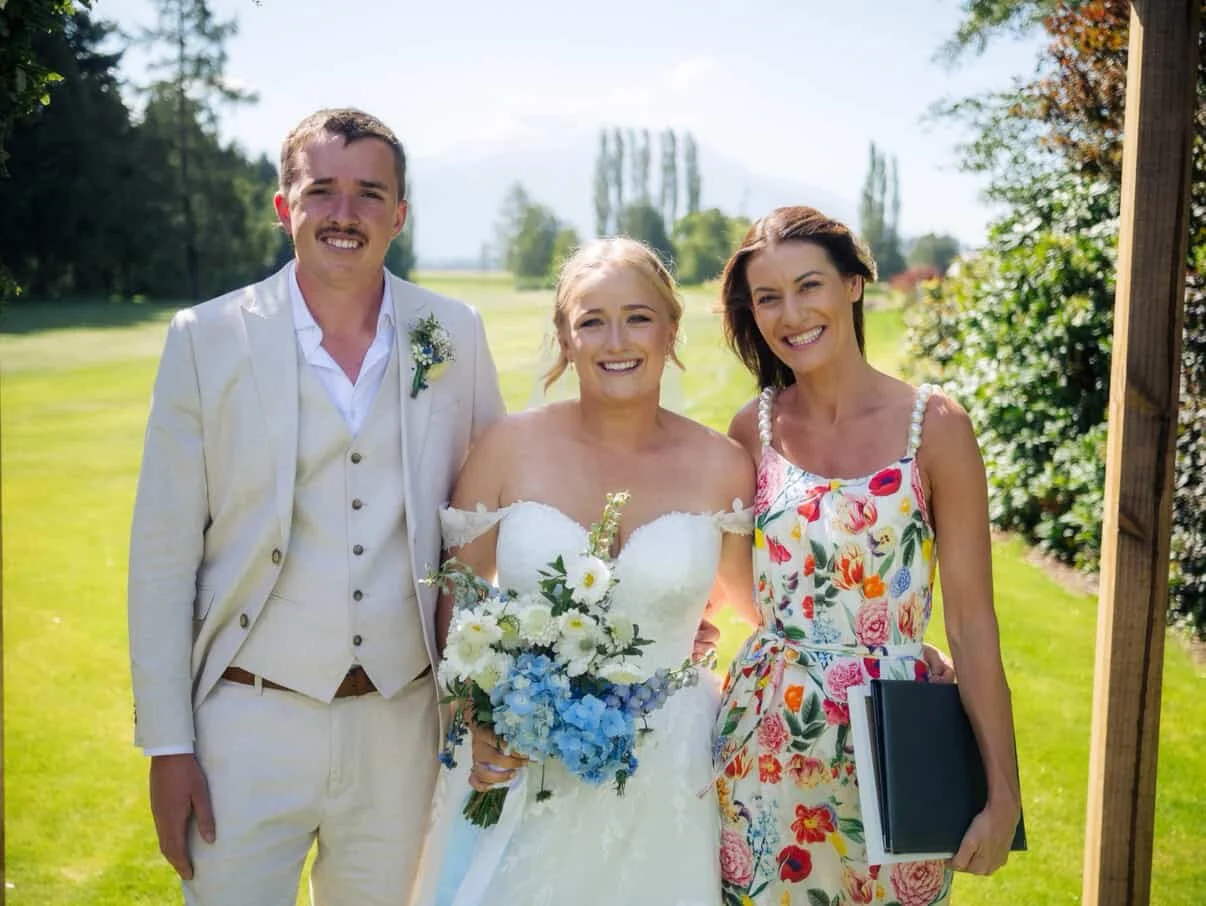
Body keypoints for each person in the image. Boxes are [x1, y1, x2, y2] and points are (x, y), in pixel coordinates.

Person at [126, 107, 505, 906]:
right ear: (283, 206)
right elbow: (162, 558)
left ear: (399, 215)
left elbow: (488, 521)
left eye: (369, 193)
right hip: (245, 722)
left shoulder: (453, 333)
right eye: (321, 190)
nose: (344, 213)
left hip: (402, 724)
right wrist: (167, 745)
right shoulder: (205, 338)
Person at [412, 237, 759, 906]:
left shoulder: (722, 466)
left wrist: (889, 649)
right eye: (592, 321)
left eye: (637, 317)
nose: (615, 341)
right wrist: (478, 714)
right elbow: (456, 605)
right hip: (523, 758)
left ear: (670, 330)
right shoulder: (507, 448)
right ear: (565, 338)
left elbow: (763, 611)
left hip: (669, 772)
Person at [712, 206, 1021, 904]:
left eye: (810, 285)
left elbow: (973, 624)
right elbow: (736, 584)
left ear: (853, 284)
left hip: (896, 745)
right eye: (768, 297)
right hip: (765, 742)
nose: (792, 314)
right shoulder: (752, 428)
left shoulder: (934, 425)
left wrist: (1003, 793)